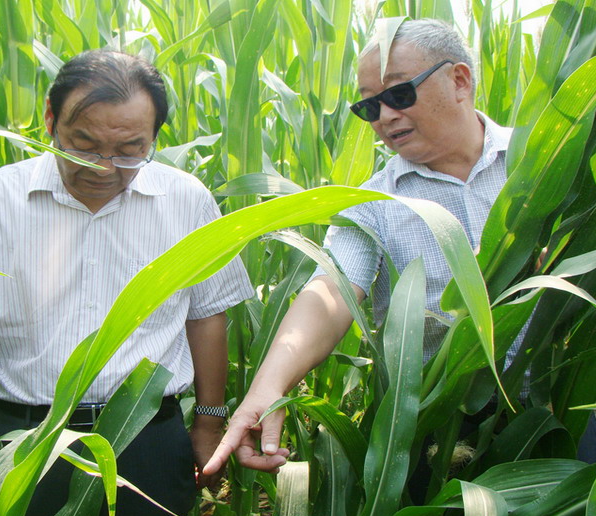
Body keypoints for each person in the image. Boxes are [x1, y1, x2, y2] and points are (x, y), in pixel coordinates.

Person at [204, 19, 517, 479]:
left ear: (459, 80)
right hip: (437, 421)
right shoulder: (372, 202)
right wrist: (269, 385)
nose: (384, 117)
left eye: (399, 94)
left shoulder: (542, 157)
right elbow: (332, 291)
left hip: (559, 394)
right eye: (369, 106)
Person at [0, 49, 253, 516]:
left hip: (149, 439)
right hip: (25, 443)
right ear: (50, 119)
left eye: (129, 150)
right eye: (83, 145)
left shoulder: (186, 201)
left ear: (154, 137)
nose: (103, 168)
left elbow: (206, 314)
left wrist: (208, 422)